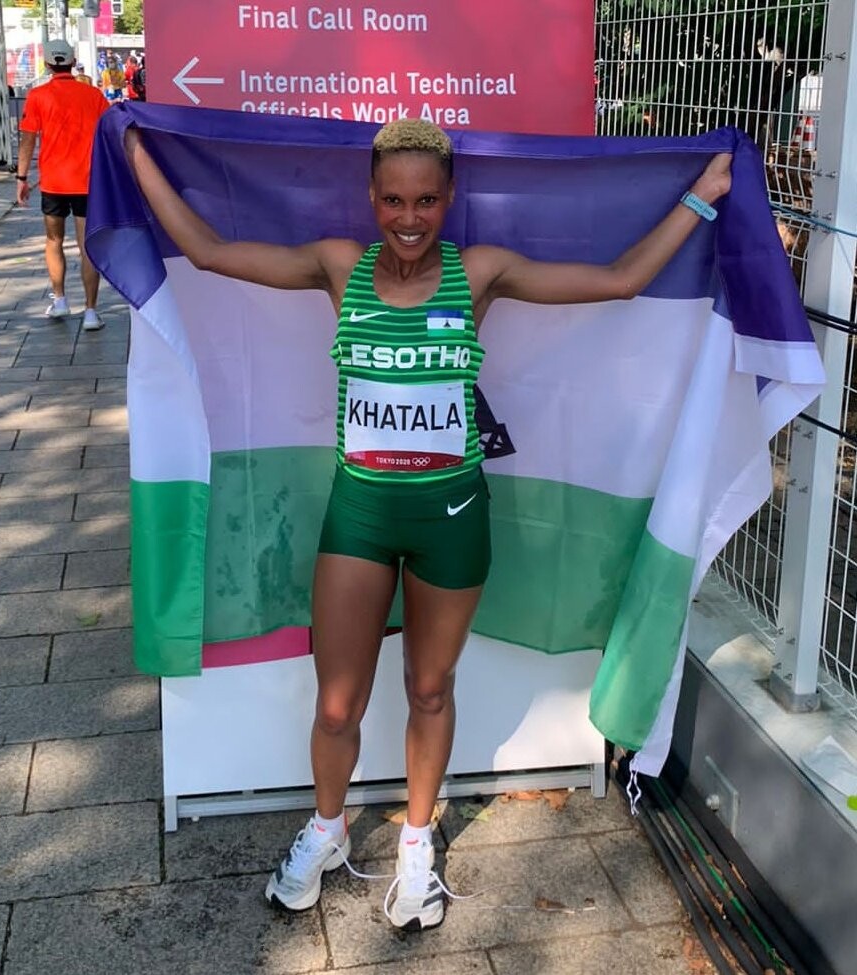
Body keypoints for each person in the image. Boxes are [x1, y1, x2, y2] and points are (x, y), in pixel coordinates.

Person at [124, 118, 731, 931]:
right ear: (371, 198)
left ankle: (416, 845)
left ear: (449, 199)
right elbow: (205, 251)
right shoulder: (339, 265)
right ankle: (328, 829)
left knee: (429, 687)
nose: (408, 218)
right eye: (392, 200)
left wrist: (704, 194)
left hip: (452, 516)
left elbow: (621, 280)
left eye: (425, 201)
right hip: (361, 513)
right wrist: (133, 151)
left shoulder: (479, 272)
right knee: (336, 703)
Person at [16, 39, 110, 331]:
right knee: (87, 246)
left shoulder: (37, 96)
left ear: (47, 64)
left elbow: (28, 139)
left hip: (54, 182)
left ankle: (59, 301)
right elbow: (109, 132)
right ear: (73, 61)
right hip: (88, 181)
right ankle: (91, 312)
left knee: (53, 241)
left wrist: (21, 178)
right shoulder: (93, 95)